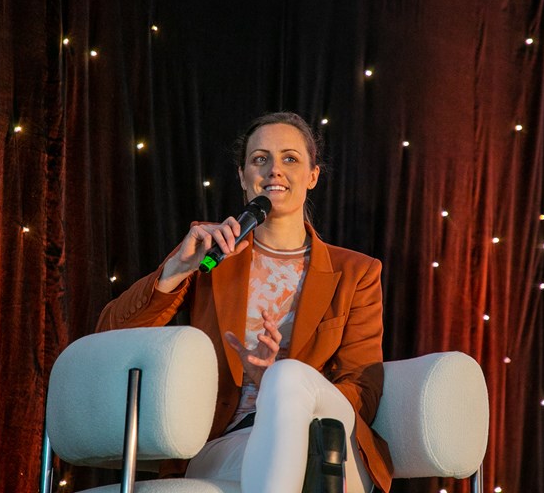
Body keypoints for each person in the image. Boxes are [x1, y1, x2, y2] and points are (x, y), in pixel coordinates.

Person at [95, 112, 393, 492]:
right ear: (242, 176)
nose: (274, 171)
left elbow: (362, 390)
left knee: (287, 380)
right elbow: (109, 336)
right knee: (289, 462)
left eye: (290, 158)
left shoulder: (357, 271)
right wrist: (174, 270)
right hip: (233, 437)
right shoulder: (210, 253)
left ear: (313, 176)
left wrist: (278, 387)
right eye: (260, 159)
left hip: (327, 432)